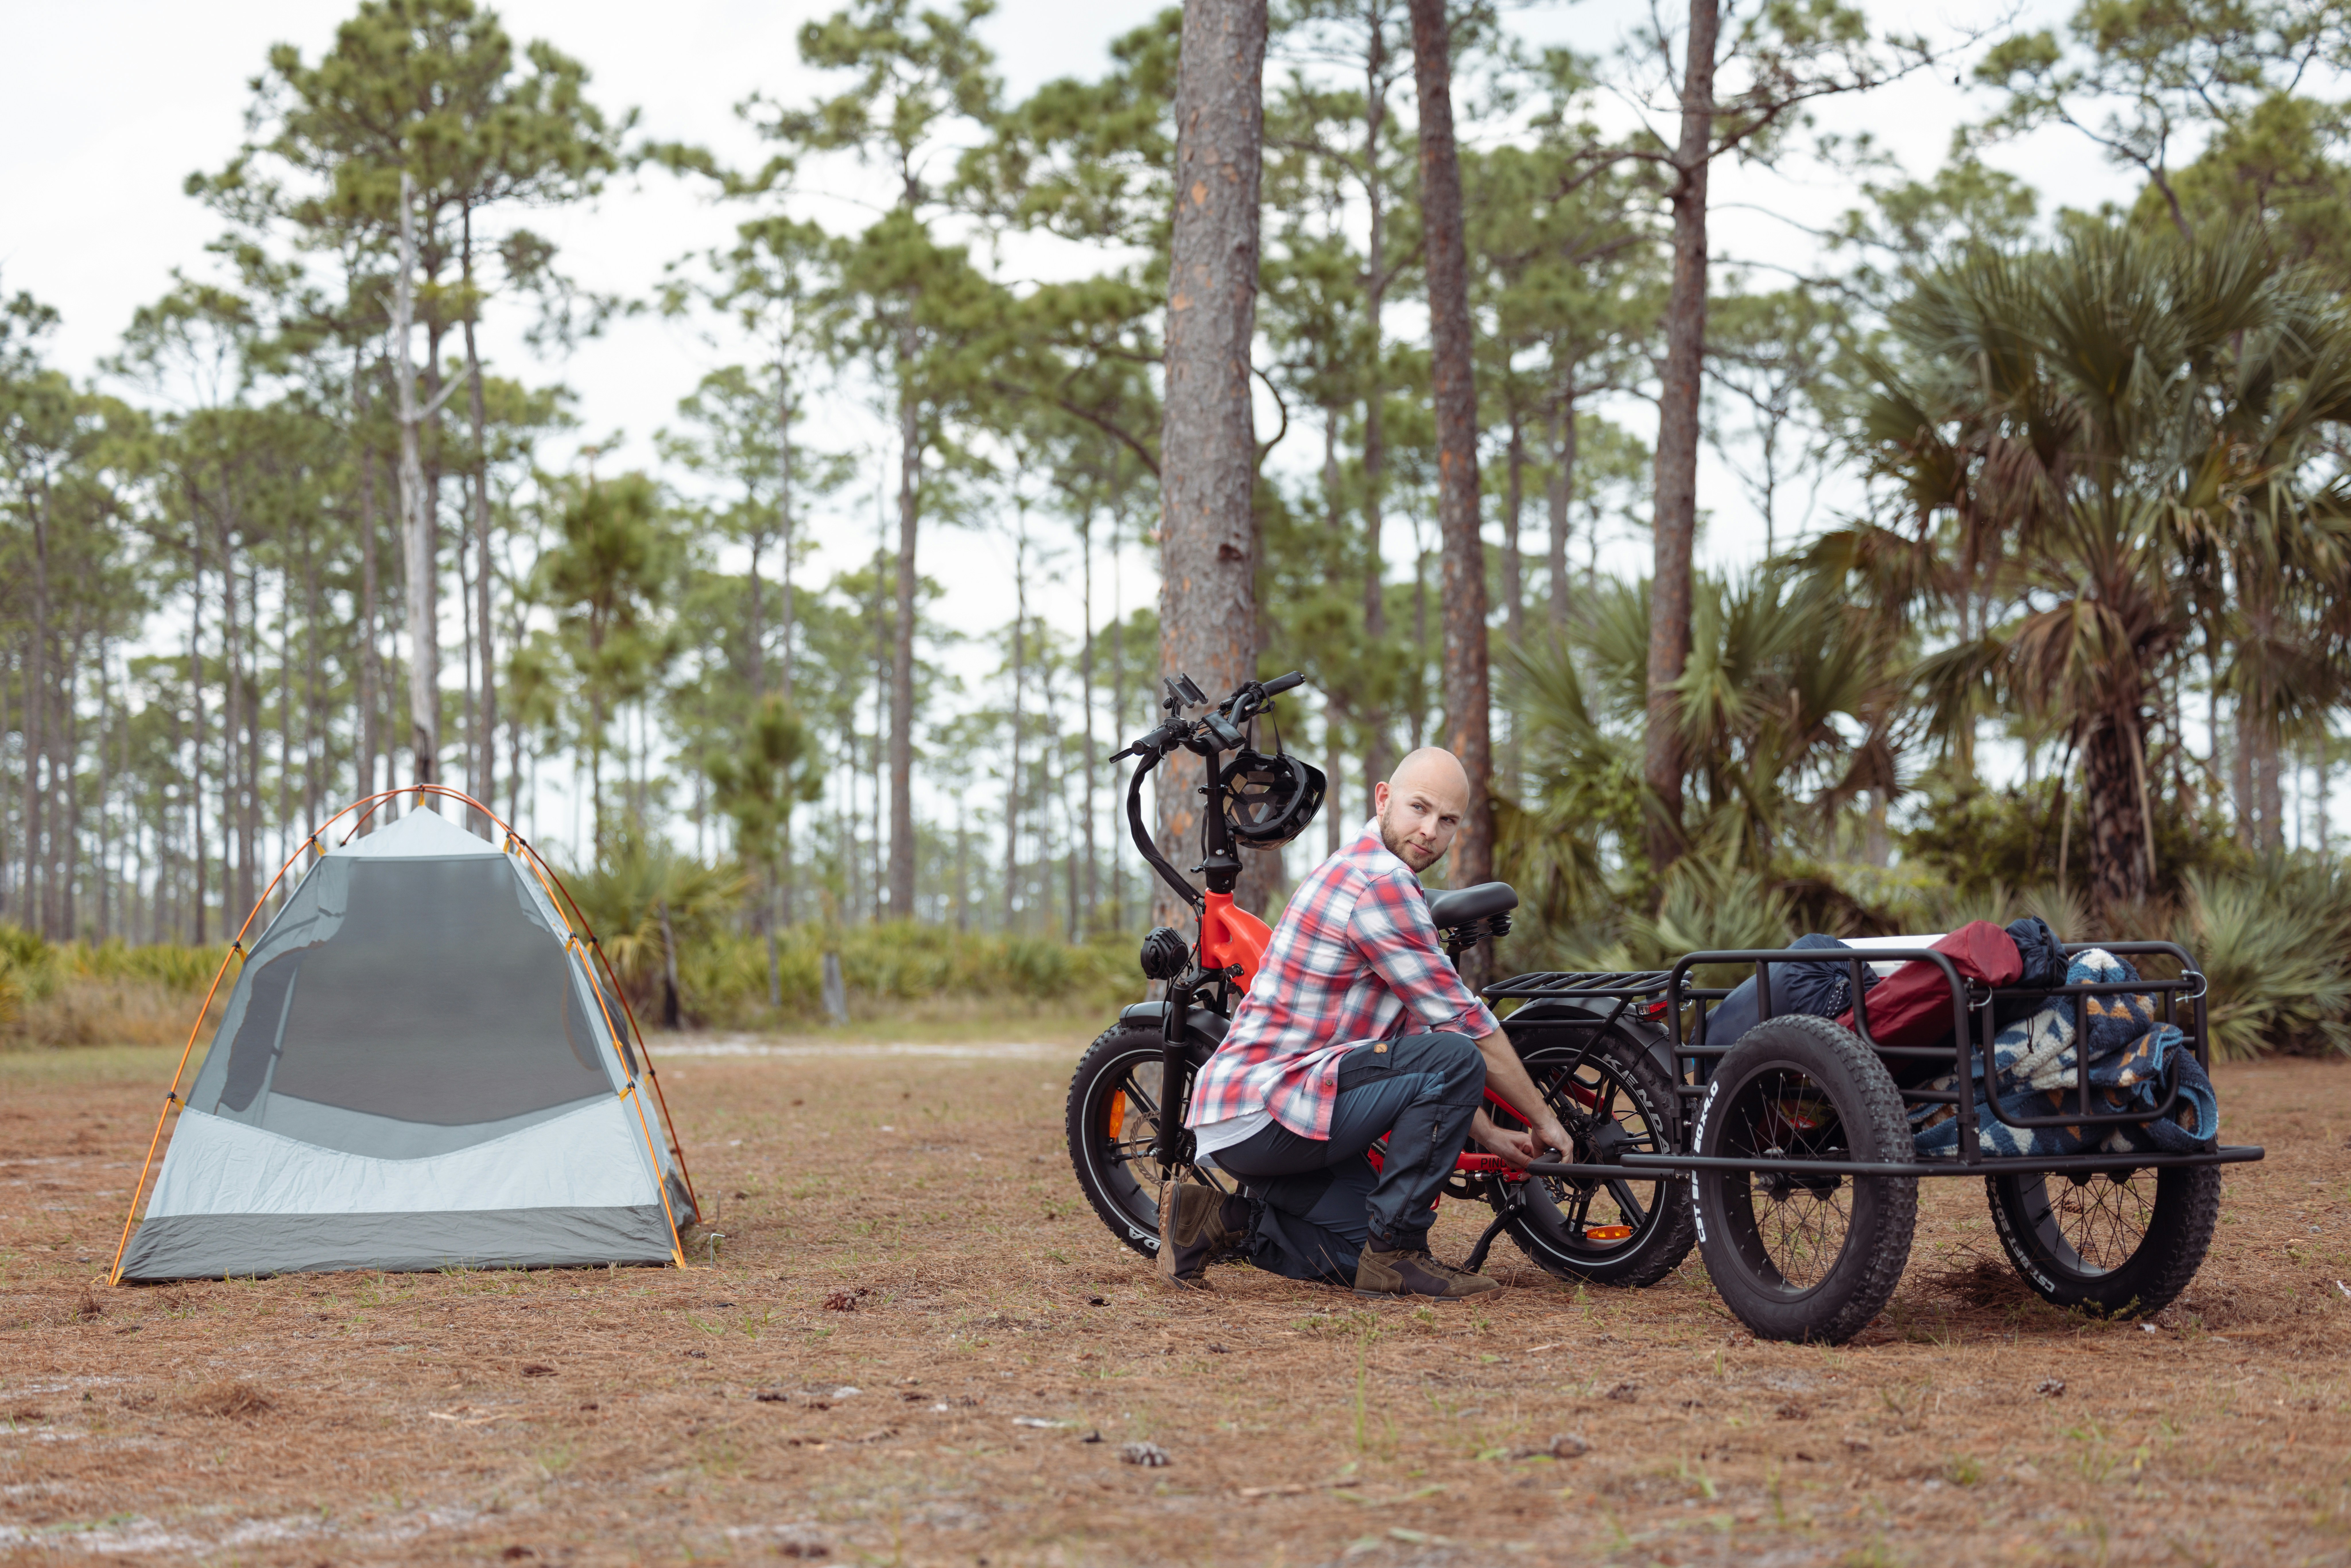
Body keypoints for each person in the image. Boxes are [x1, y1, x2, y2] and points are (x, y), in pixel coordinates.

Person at [1157, 747, 1573, 1298]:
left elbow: (1409, 1041)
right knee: (1456, 1055)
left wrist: (1490, 1133)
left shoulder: (1370, 869)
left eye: (1447, 820)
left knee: (1357, 1250)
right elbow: (1462, 1025)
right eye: (1418, 808)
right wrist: (1543, 1119)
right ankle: (1399, 1254)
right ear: (1384, 798)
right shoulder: (1379, 883)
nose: (1429, 831)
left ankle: (1217, 1219)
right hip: (1271, 1112)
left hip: (1261, 1123)